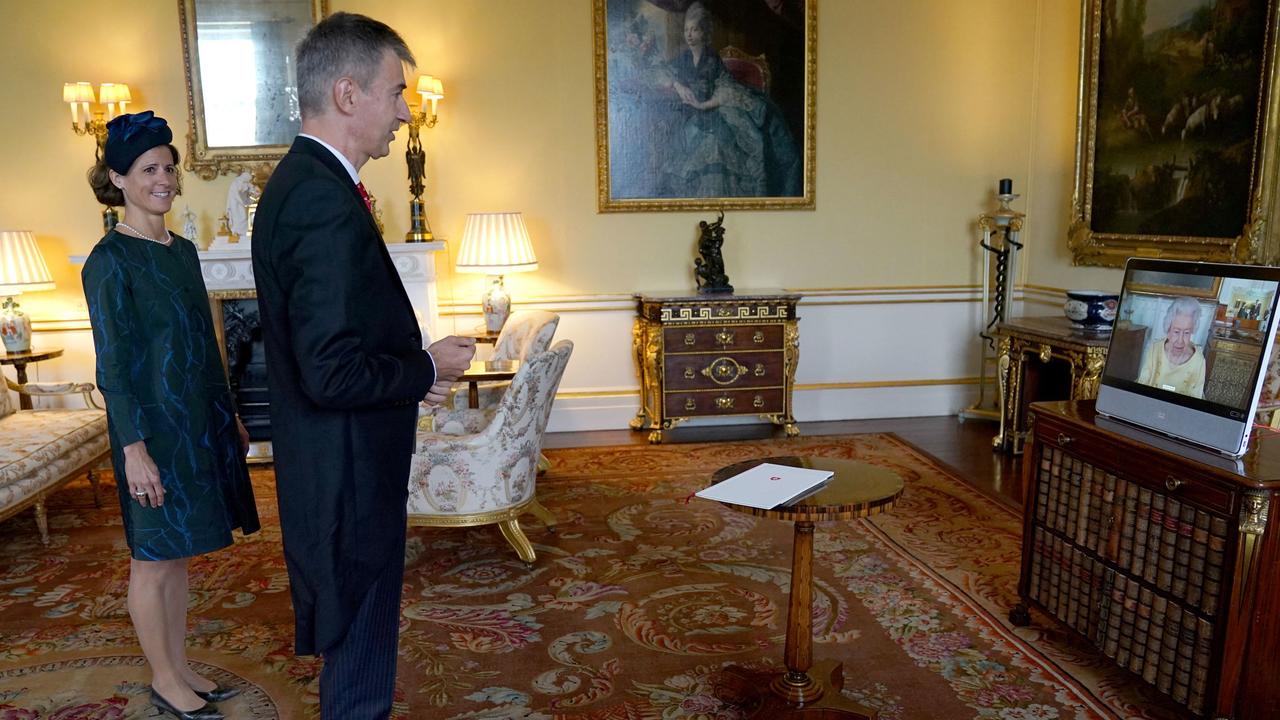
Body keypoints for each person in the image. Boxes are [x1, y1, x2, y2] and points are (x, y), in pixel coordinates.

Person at [250, 12, 475, 719]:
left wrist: (416, 376)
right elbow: (331, 372)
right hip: (347, 477)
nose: (406, 111)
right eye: (395, 91)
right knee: (358, 661)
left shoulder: (308, 182)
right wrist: (422, 369)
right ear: (349, 94)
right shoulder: (319, 198)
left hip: (340, 461)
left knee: (361, 647)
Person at [81, 111, 260, 720]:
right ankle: (163, 680)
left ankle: (179, 667)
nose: (164, 178)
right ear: (119, 179)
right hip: (150, 432)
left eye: (168, 166)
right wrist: (132, 448)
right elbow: (114, 364)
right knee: (152, 559)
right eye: (148, 169)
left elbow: (205, 343)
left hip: (196, 424)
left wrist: (228, 412)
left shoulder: (182, 251)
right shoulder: (108, 261)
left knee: (178, 554)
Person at [658, 2, 801, 198]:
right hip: (688, 115)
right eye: (686, 30)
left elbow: (725, 89)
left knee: (718, 145)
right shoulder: (682, 58)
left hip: (713, 110)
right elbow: (661, 72)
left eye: (695, 29)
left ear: (705, 33)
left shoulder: (712, 59)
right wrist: (677, 85)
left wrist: (702, 105)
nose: (689, 34)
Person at [1137, 296, 1207, 398]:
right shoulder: (1155, 350)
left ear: (1192, 331)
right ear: (1168, 329)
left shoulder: (1199, 361)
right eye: (1176, 332)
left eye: (1187, 333)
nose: (1180, 340)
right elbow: (1142, 386)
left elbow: (1195, 400)